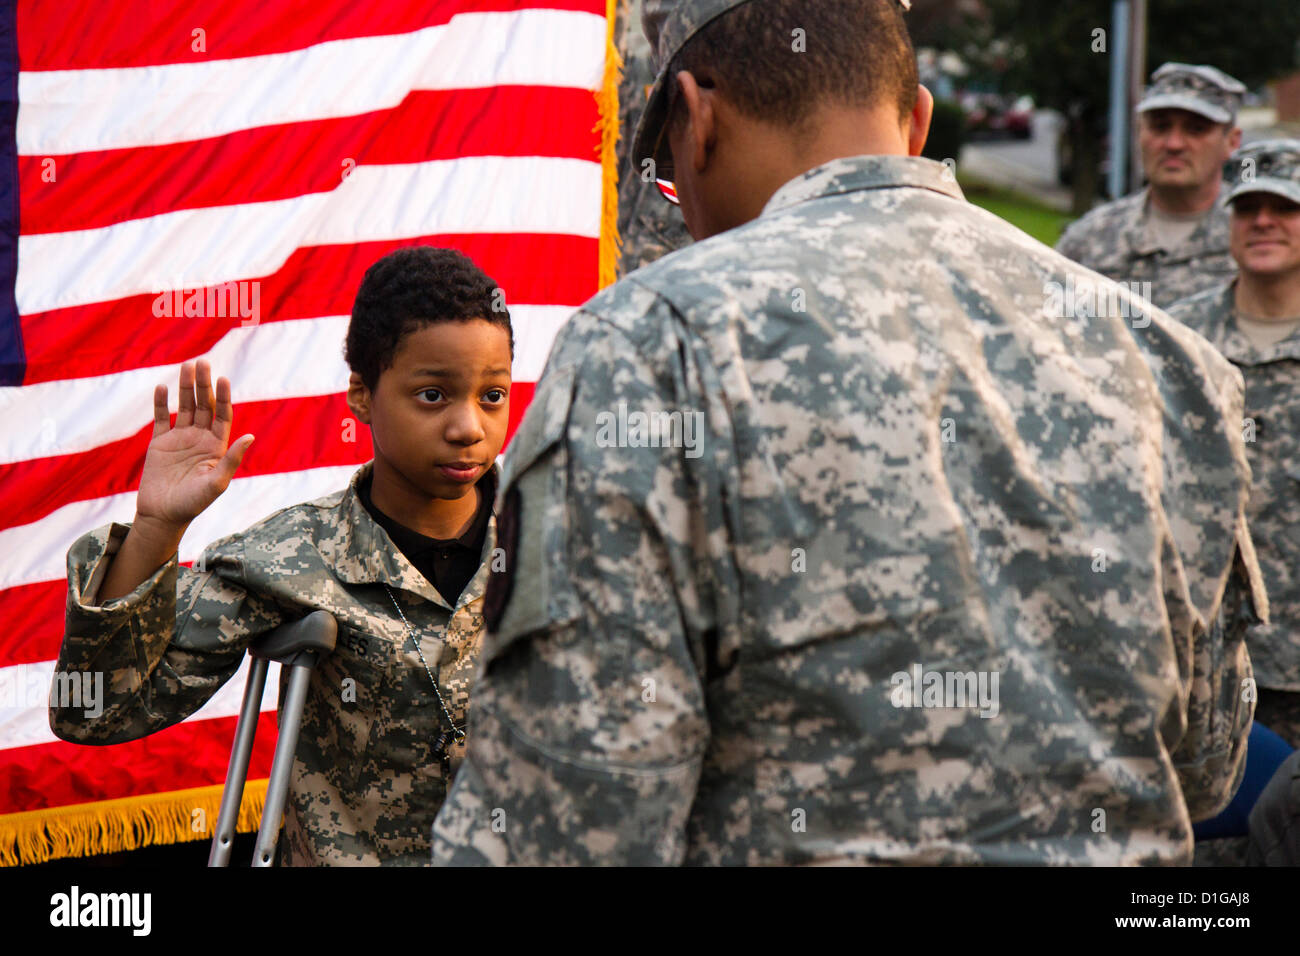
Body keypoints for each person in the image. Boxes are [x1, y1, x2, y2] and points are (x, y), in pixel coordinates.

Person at [429, 0, 1264, 865]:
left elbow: (566, 824)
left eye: (669, 174)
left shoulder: (649, 344)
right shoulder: (1172, 359)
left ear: (697, 116)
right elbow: (1205, 766)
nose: (679, 209)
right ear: (917, 119)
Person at [48, 247, 513, 865]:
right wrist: (158, 527)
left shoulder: (564, 541)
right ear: (363, 396)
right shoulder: (291, 557)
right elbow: (94, 711)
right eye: (432, 395)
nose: (467, 427)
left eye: (492, 395)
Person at [1168, 140, 1300, 750]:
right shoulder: (1176, 339)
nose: (1264, 221)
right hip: (1208, 664)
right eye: (1248, 208)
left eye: (1285, 207)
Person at [1055, 62, 1245, 309]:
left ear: (1232, 141)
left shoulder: (1258, 241)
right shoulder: (1089, 241)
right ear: (1139, 133)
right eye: (1160, 126)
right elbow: (1045, 335)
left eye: (1196, 129)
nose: (1174, 144)